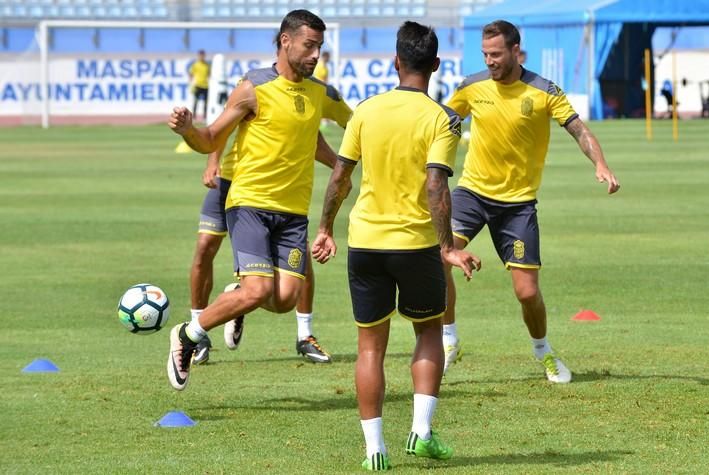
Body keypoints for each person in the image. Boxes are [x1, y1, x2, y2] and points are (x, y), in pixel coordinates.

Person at [312, 21, 480, 471]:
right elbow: (436, 186)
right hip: (416, 244)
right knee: (427, 333)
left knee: (370, 347)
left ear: (396, 62)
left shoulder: (365, 111)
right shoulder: (444, 119)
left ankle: (374, 452)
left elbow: (340, 176)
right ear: (437, 65)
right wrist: (447, 246)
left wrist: (325, 228)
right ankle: (421, 434)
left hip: (365, 242)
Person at [166, 9, 353, 391]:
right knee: (259, 290)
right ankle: (189, 334)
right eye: (309, 45)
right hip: (249, 203)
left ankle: (238, 295)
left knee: (283, 299)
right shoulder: (253, 87)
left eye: (320, 46)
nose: (316, 54)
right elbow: (212, 138)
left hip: (294, 213)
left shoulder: (321, 93)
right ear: (285, 41)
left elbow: (359, 123)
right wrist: (189, 131)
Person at [441, 20, 620, 382]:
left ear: (515, 51)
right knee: (437, 259)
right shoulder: (471, 87)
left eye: (496, 54)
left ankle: (544, 351)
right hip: (471, 193)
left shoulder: (543, 90)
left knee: (527, 292)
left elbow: (578, 129)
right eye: (485, 54)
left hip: (518, 204)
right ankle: (448, 340)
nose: (489, 61)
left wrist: (599, 162)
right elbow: (442, 122)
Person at [189, 132, 336, 365]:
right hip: (228, 179)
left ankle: (304, 334)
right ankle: (197, 335)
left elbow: (321, 133)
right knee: (205, 246)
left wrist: (343, 168)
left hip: (275, 191)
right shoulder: (252, 95)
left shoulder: (319, 95)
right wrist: (212, 162)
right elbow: (221, 129)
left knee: (301, 256)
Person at [188, 49, 210, 121]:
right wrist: (191, 83)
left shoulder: (207, 65)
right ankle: (194, 117)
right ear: (198, 56)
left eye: (203, 55)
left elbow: (209, 75)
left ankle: (205, 117)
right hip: (198, 85)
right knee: (196, 102)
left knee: (206, 103)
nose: (202, 57)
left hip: (205, 86)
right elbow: (191, 74)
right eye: (200, 55)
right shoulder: (195, 64)